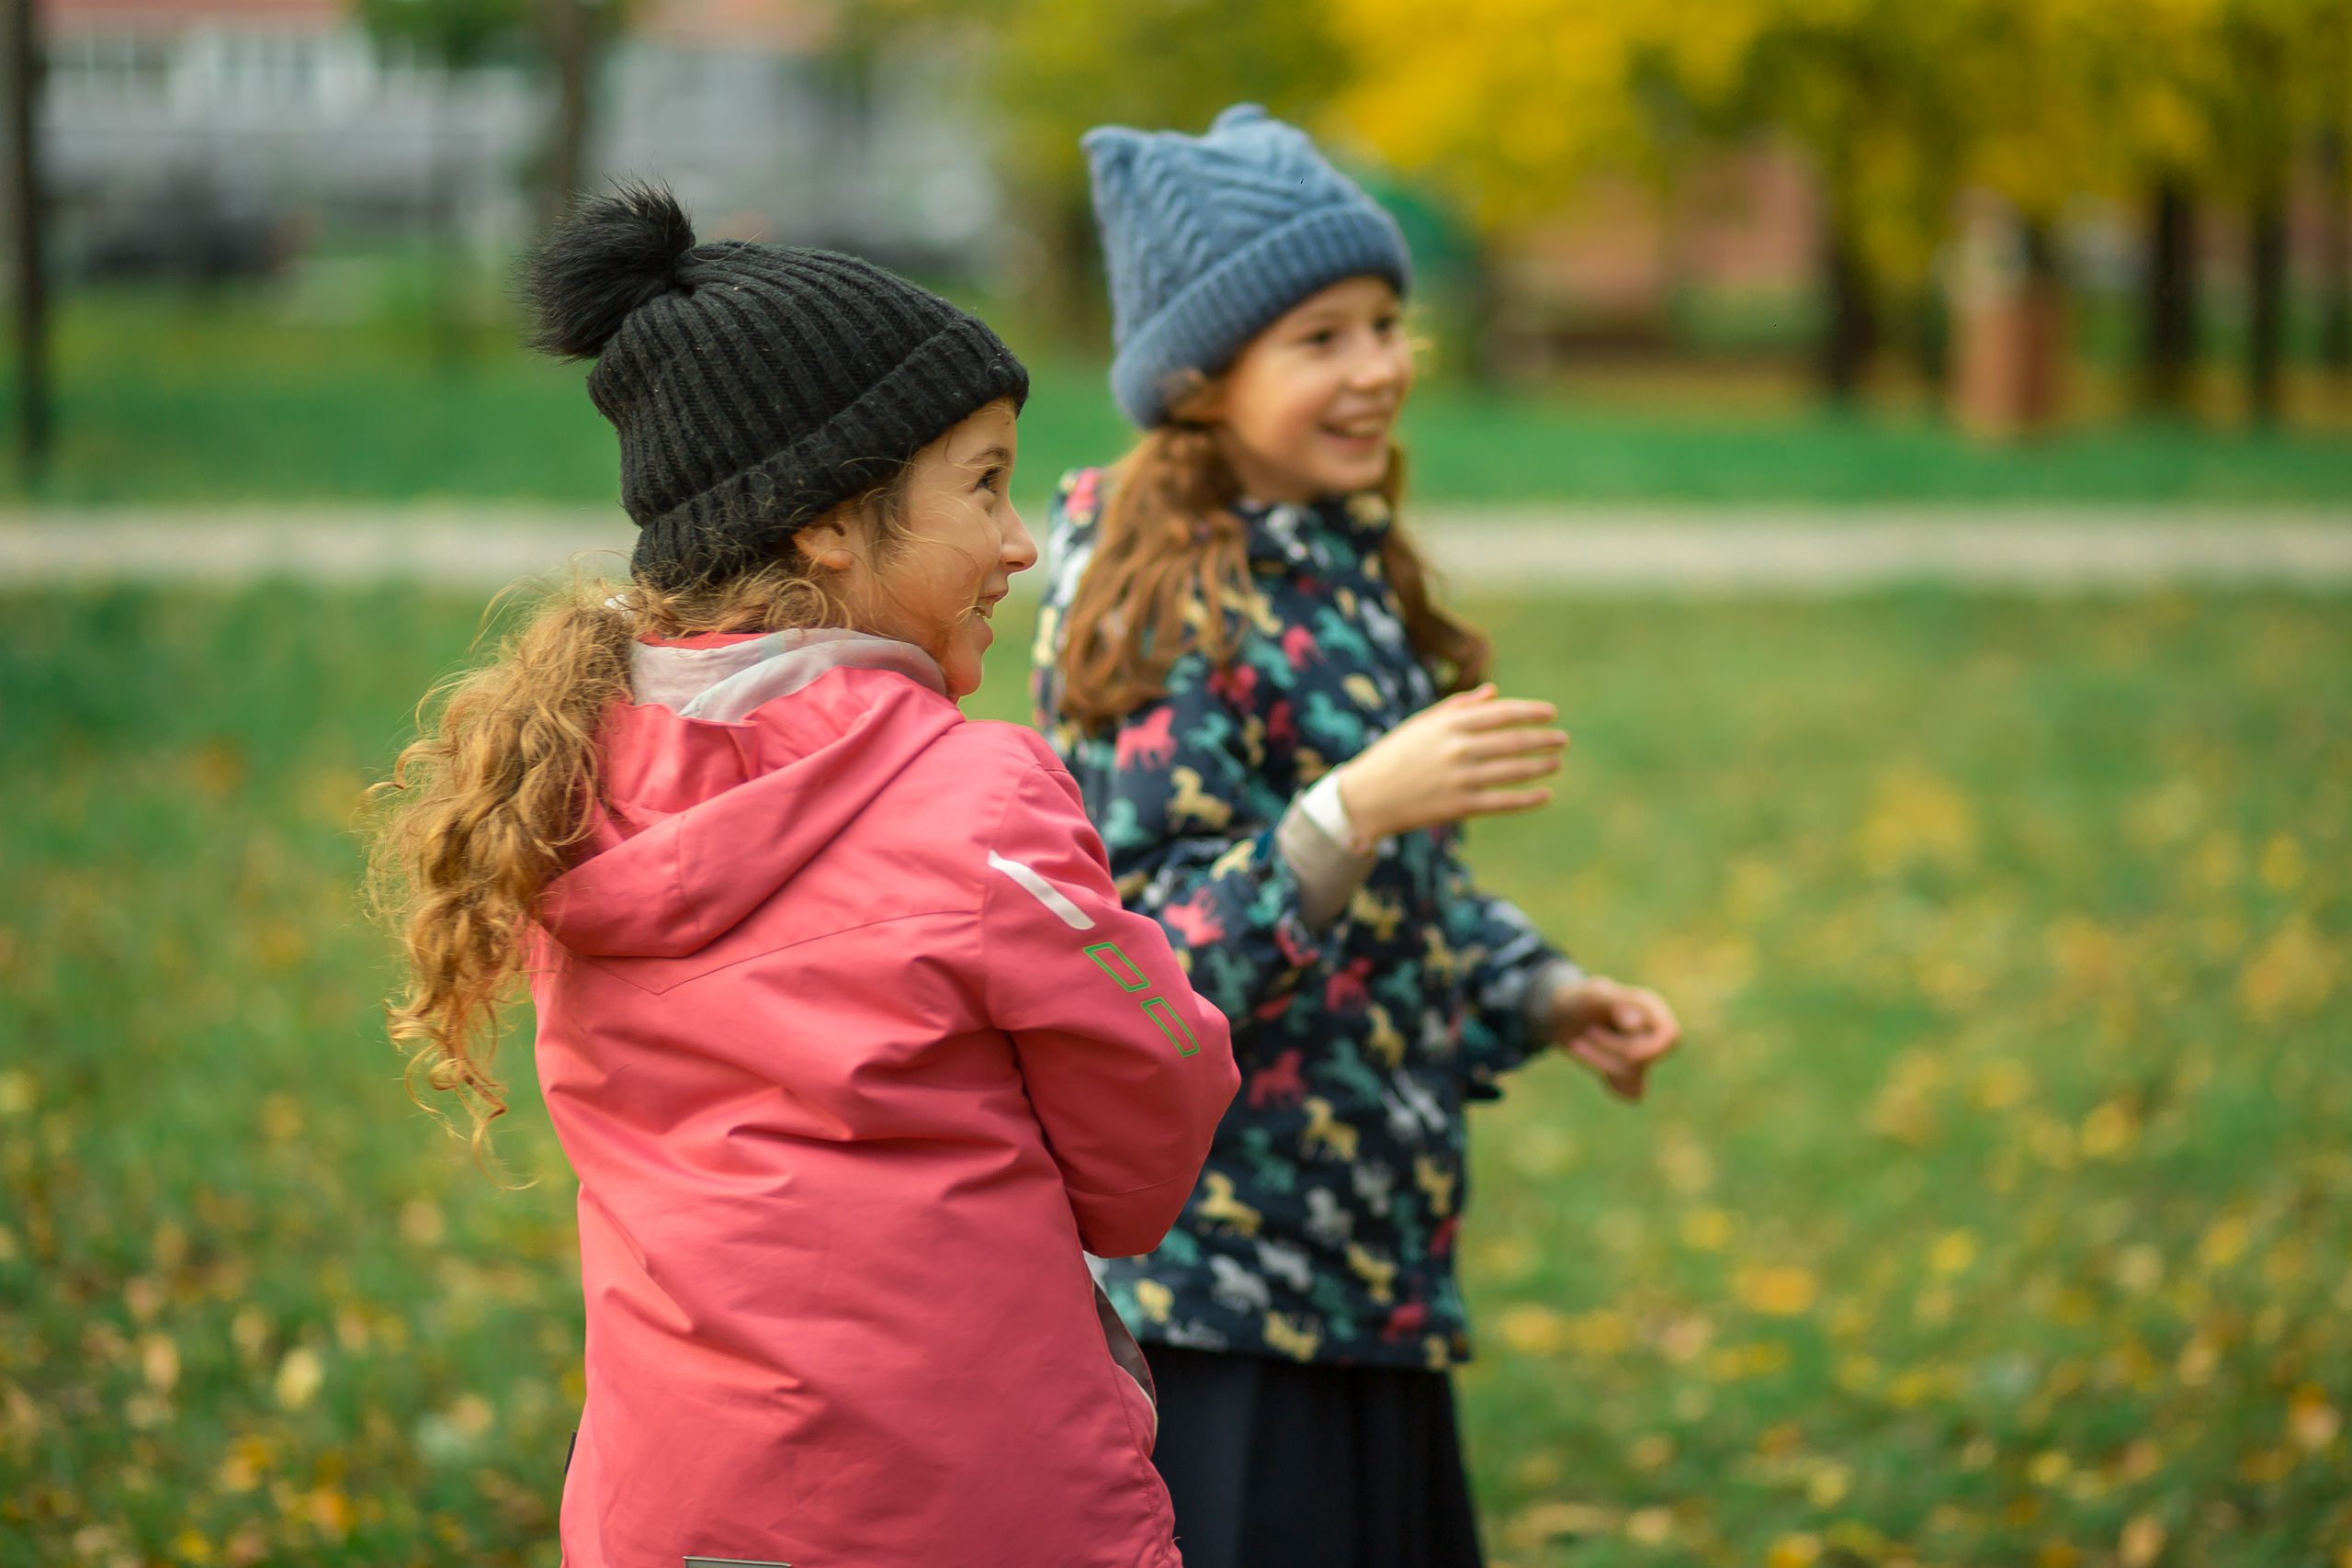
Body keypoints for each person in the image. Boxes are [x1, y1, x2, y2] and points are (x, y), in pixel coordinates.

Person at [372, 184, 1238, 1568]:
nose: (1021, 543)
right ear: (830, 524)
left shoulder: (567, 791)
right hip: (967, 1511)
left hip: (677, 1513)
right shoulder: (979, 796)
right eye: (985, 483)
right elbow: (1149, 1129)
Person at [1030, 107, 1682, 1568]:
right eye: (1320, 338)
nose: (1380, 367)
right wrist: (1352, 806)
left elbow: (1405, 900)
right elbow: (1145, 968)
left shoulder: (1342, 561)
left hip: (1376, 1258)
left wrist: (1539, 989)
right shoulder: (1149, 602)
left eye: (1387, 323)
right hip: (1226, 1288)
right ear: (1200, 379)